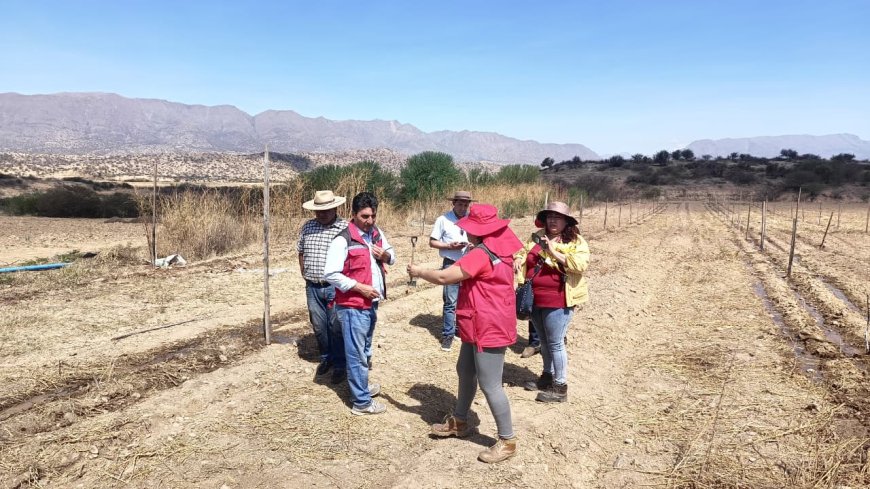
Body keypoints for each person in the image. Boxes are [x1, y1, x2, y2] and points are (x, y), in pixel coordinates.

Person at [408, 203, 523, 464]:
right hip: (478, 321)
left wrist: (419, 272)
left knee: (491, 384)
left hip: (488, 326)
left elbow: (444, 277)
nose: (466, 233)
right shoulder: (496, 247)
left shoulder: (481, 254)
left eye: (469, 229)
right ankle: (460, 421)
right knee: (465, 369)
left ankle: (508, 440)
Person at [324, 192, 396, 416]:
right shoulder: (342, 240)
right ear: (353, 215)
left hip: (371, 304)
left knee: (364, 350)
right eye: (365, 216)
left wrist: (385, 255)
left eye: (373, 215)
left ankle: (362, 388)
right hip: (353, 305)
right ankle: (361, 403)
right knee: (356, 354)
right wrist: (359, 287)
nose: (370, 221)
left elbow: (392, 256)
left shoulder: (375, 233)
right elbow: (331, 274)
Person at [515, 201, 590, 403]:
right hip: (535, 298)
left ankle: (560, 386)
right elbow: (523, 253)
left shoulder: (575, 241)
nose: (553, 220)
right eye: (550, 217)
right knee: (544, 342)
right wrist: (518, 259)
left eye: (557, 217)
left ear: (566, 221)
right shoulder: (537, 237)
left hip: (559, 299)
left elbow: (580, 265)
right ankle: (546, 377)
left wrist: (553, 251)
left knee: (556, 343)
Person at [297, 190, 348, 385]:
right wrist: (304, 271)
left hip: (335, 287)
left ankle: (340, 364)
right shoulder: (308, 226)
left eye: (326, 210)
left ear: (335, 208)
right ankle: (326, 358)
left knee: (336, 326)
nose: (322, 214)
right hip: (312, 286)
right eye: (319, 210)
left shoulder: (344, 228)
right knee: (319, 326)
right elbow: (300, 251)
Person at [428, 190, 474, 351]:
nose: (463, 207)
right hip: (451, 263)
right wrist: (449, 246)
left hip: (470, 263)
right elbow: (432, 242)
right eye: (460, 204)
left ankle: (459, 330)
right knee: (450, 301)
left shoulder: (472, 220)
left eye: (466, 205)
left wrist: (473, 246)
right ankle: (447, 335)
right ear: (453, 203)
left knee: (466, 300)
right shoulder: (443, 220)